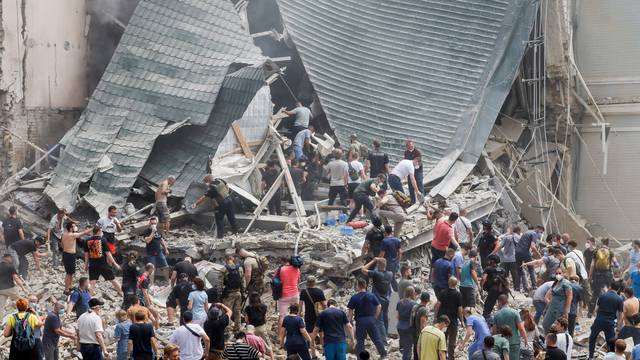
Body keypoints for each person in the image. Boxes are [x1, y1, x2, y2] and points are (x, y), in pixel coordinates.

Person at [347, 278, 387, 357]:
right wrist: (375, 317)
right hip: (370, 319)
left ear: (358, 286)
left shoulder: (354, 297)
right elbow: (379, 306)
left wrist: (350, 321)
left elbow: (350, 311)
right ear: (365, 286)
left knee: (360, 340)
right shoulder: (371, 295)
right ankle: (383, 354)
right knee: (376, 338)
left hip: (360, 320)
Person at [588, 281, 624, 359]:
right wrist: (618, 327)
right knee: (610, 343)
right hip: (610, 323)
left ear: (610, 287)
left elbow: (596, 310)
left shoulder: (602, 295)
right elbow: (620, 315)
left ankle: (591, 356)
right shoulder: (619, 299)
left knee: (593, 338)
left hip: (599, 321)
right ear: (618, 289)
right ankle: (610, 358)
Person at [83, 226, 122, 296]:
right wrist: (115, 264)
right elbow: (108, 253)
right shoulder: (103, 240)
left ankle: (89, 296)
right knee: (112, 279)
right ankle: (121, 292)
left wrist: (86, 265)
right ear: (98, 232)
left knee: (92, 281)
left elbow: (86, 255)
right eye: (101, 231)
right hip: (103, 264)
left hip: (92, 264)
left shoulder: (87, 241)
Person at [361, 257, 393, 338]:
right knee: (385, 317)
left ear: (378, 265)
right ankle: (386, 334)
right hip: (386, 299)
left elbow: (363, 269)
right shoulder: (390, 274)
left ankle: (383, 339)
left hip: (377, 300)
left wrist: (373, 261)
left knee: (379, 320)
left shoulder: (376, 274)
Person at [434, 277, 464, 360]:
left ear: (448, 282)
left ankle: (441, 356)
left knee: (442, 338)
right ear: (456, 284)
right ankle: (451, 357)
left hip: (443, 321)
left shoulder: (443, 292)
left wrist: (435, 317)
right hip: (453, 320)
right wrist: (461, 320)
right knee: (452, 340)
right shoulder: (458, 294)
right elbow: (460, 309)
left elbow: (437, 305)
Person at [493, 295, 527, 360]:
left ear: (499, 302)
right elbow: (521, 328)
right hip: (514, 343)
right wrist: (525, 339)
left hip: (501, 343)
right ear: (507, 302)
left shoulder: (496, 315)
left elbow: (494, 331)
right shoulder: (515, 312)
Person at [589, 238, 617, 317]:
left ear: (601, 242)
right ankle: (609, 311)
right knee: (610, 292)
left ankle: (590, 313)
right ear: (608, 243)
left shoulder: (596, 251)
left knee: (595, 293)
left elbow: (592, 264)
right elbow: (616, 264)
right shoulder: (610, 251)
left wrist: (590, 275)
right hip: (607, 274)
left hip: (597, 274)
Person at [61, 222, 92, 294]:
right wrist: (93, 228)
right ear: (71, 228)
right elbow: (83, 233)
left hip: (66, 254)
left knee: (71, 273)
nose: (75, 227)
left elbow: (62, 244)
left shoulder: (64, 234)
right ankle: (66, 290)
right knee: (68, 273)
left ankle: (70, 286)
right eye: (74, 226)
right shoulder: (72, 235)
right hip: (70, 255)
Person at [542, 268, 573, 334]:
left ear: (563, 274)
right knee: (545, 324)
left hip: (560, 308)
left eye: (559, 273)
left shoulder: (566, 283)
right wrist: (549, 303)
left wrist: (566, 310)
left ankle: (561, 340)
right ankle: (549, 339)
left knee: (560, 327)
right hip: (552, 307)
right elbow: (548, 295)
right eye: (556, 273)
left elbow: (569, 296)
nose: (558, 275)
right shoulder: (556, 283)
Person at [514, 225, 543, 292]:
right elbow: (533, 246)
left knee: (519, 270)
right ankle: (534, 286)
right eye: (541, 232)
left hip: (517, 252)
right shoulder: (534, 234)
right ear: (538, 229)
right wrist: (539, 254)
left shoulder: (527, 232)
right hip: (525, 252)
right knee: (531, 269)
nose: (540, 234)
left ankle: (517, 288)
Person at [142, 217, 170, 284]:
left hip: (159, 252)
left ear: (157, 223)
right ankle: (152, 284)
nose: (153, 225)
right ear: (149, 223)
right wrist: (153, 232)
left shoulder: (159, 231)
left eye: (154, 223)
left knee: (165, 266)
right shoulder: (146, 231)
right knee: (152, 269)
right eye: (152, 223)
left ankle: (168, 281)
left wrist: (166, 249)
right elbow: (147, 241)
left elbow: (161, 240)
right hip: (150, 253)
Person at [0, 253, 27, 321]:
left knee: (1, 306)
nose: (11, 259)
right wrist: (23, 289)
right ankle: (28, 314)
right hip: (10, 288)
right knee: (21, 301)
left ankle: (0, 321)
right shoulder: (10, 266)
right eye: (10, 258)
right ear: (6, 258)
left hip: (0, 289)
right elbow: (16, 278)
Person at [493, 226, 520, 290]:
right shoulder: (518, 237)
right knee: (515, 274)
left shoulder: (506, 238)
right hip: (514, 259)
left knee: (504, 274)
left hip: (505, 259)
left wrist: (493, 253)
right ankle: (517, 288)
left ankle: (504, 287)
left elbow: (500, 246)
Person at [222, 254, 244, 332]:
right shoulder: (240, 269)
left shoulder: (224, 269)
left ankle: (227, 329)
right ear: (232, 259)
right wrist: (243, 292)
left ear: (226, 260)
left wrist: (219, 295)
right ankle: (237, 328)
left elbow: (220, 284)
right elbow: (242, 282)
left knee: (227, 311)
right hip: (238, 293)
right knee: (237, 312)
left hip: (229, 294)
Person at [276, 256, 301, 323]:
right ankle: (296, 330)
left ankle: (280, 333)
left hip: (284, 295)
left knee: (282, 316)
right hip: (295, 294)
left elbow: (275, 281)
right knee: (296, 313)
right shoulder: (297, 269)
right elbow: (298, 281)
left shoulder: (281, 269)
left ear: (283, 261)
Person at [567, 240, 591, 307]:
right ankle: (591, 309)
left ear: (570, 246)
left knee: (575, 292)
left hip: (576, 276)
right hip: (584, 274)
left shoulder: (569, 254)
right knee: (587, 292)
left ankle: (579, 308)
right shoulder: (580, 252)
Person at [396, 286, 417, 360]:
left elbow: (397, 317)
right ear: (412, 293)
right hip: (409, 327)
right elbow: (415, 317)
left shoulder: (399, 302)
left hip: (400, 326)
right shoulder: (414, 304)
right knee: (408, 348)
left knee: (404, 346)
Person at [137, 263, 160, 328]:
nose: (153, 271)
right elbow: (145, 292)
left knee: (150, 315)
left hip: (140, 299)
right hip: (142, 301)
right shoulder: (145, 279)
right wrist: (148, 304)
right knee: (156, 314)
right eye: (153, 269)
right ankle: (156, 329)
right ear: (150, 269)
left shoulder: (142, 276)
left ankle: (154, 328)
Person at [379, 225, 401, 290]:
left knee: (389, 279)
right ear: (392, 232)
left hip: (387, 264)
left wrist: (377, 263)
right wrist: (398, 261)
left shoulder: (384, 241)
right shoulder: (397, 240)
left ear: (385, 232)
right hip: (394, 263)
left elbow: (382, 254)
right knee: (392, 277)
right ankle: (397, 291)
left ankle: (396, 291)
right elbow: (400, 252)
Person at [411, 292, 431, 359]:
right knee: (421, 352)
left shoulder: (415, 306)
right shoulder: (423, 310)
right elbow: (423, 325)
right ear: (428, 300)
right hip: (419, 334)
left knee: (415, 350)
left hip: (413, 332)